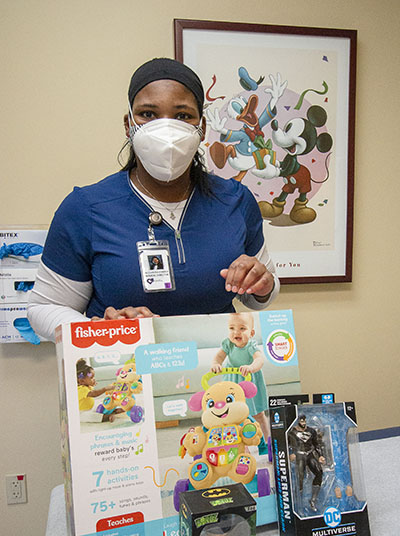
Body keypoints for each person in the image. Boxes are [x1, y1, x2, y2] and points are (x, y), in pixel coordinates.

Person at [27, 58, 280, 342]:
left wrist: (263, 285)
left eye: (183, 116)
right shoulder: (86, 208)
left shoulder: (235, 200)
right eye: (148, 114)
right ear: (129, 125)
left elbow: (261, 294)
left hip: (218, 370)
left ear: (203, 128)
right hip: (127, 375)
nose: (167, 130)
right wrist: (100, 330)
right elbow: (44, 308)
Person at [211, 312, 270, 455]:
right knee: (234, 416)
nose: (236, 332)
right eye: (232, 328)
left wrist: (251, 367)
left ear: (251, 332)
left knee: (258, 414)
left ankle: (267, 442)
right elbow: (219, 356)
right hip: (232, 381)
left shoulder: (251, 345)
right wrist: (216, 364)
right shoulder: (228, 344)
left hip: (249, 381)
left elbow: (259, 359)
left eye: (242, 328)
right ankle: (243, 448)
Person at [288, 414, 326, 511]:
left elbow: (316, 444)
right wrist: (291, 453)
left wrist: (321, 455)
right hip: (299, 455)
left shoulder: (311, 431)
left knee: (319, 472)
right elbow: (287, 444)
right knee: (300, 477)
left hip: (309, 454)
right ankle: (297, 500)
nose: (303, 422)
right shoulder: (292, 432)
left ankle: (313, 499)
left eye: (304, 420)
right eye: (301, 421)